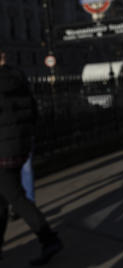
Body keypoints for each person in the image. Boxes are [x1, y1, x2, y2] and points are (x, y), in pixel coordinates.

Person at [0, 48, 63, 265]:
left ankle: (48, 238)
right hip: (19, 147)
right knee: (4, 199)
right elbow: (33, 113)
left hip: (2, 151)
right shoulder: (19, 79)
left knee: (16, 198)